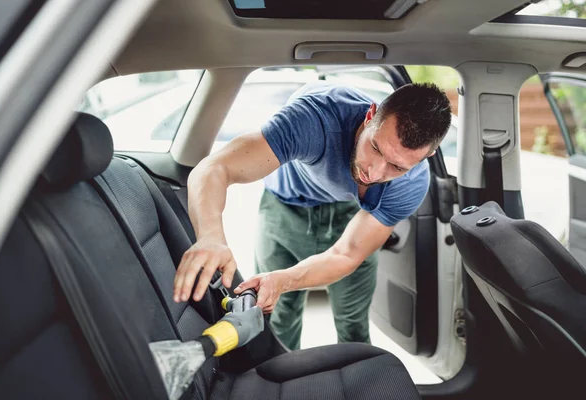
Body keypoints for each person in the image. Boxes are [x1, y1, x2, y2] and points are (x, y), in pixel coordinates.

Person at [173, 81, 452, 350]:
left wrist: (285, 279)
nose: (375, 173)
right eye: (376, 148)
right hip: (286, 206)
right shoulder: (315, 118)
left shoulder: (412, 183)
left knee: (354, 323)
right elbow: (215, 167)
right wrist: (210, 237)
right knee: (277, 320)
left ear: (426, 156)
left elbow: (346, 254)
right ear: (369, 117)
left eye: (396, 166)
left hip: (350, 214)